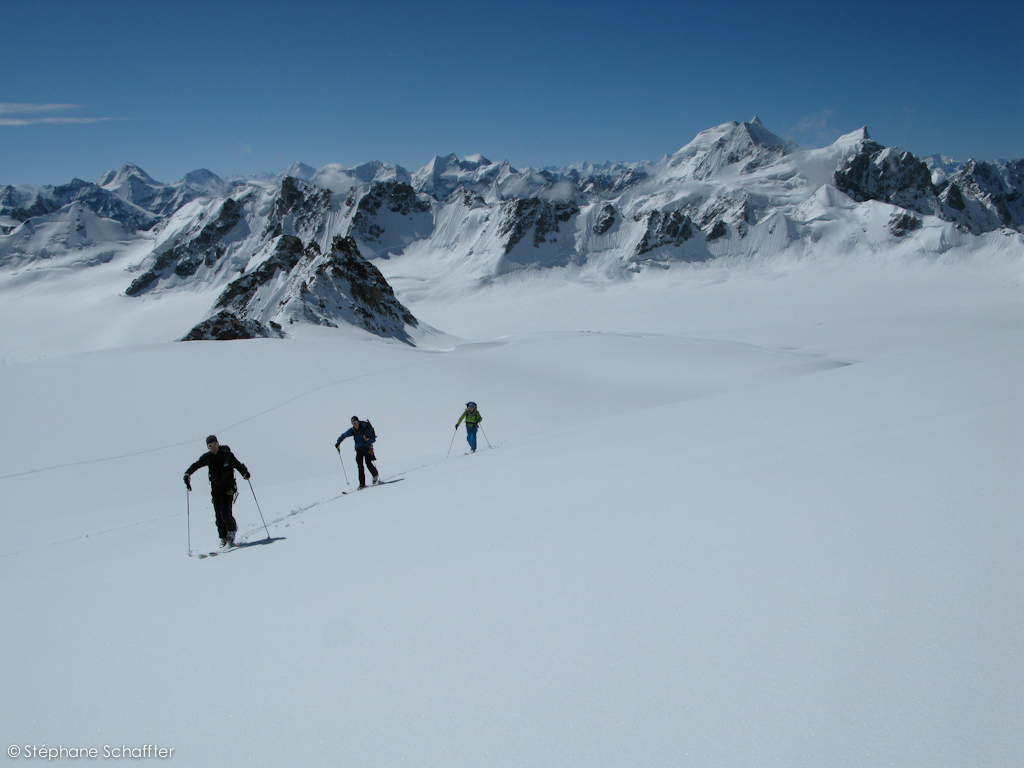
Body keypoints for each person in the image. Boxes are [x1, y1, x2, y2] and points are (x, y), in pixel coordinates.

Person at [184, 435, 250, 548]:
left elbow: (237, 465)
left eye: (215, 444)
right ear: (208, 447)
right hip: (216, 489)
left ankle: (231, 531)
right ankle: (223, 538)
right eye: (210, 446)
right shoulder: (207, 457)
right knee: (218, 516)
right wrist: (187, 474)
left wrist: (245, 473)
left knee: (225, 513)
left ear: (218, 444)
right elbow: (196, 465)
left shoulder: (227, 455)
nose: (213, 447)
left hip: (228, 488)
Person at [336, 416, 379, 488]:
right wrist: (338, 442)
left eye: (355, 422)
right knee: (360, 466)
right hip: (359, 450)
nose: (355, 424)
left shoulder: (365, 429)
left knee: (368, 463)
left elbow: (373, 439)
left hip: (367, 448)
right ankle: (362, 484)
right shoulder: (352, 431)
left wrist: (368, 440)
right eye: (353, 423)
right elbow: (344, 435)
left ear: (358, 422)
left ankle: (375, 475)